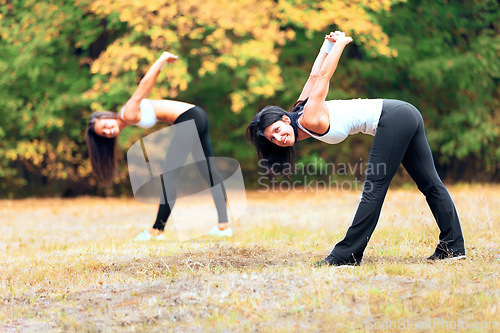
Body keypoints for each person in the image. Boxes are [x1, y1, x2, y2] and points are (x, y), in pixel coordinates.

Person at [246, 31, 465, 266]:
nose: (279, 138)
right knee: (429, 183)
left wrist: (339, 44)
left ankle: (347, 255)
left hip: (394, 117)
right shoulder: (299, 109)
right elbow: (312, 75)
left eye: (277, 130)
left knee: (374, 187)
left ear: (284, 119)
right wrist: (326, 46)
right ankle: (453, 247)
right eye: (272, 139)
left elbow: (323, 77)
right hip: (403, 112)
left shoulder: (307, 117)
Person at [86, 51, 232, 240]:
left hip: (189, 119)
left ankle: (157, 231)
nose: (108, 131)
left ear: (106, 116)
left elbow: (144, 86)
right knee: (208, 171)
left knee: (170, 176)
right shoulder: (126, 117)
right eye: (104, 134)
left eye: (105, 126)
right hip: (197, 116)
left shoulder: (127, 114)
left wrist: (162, 60)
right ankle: (224, 226)